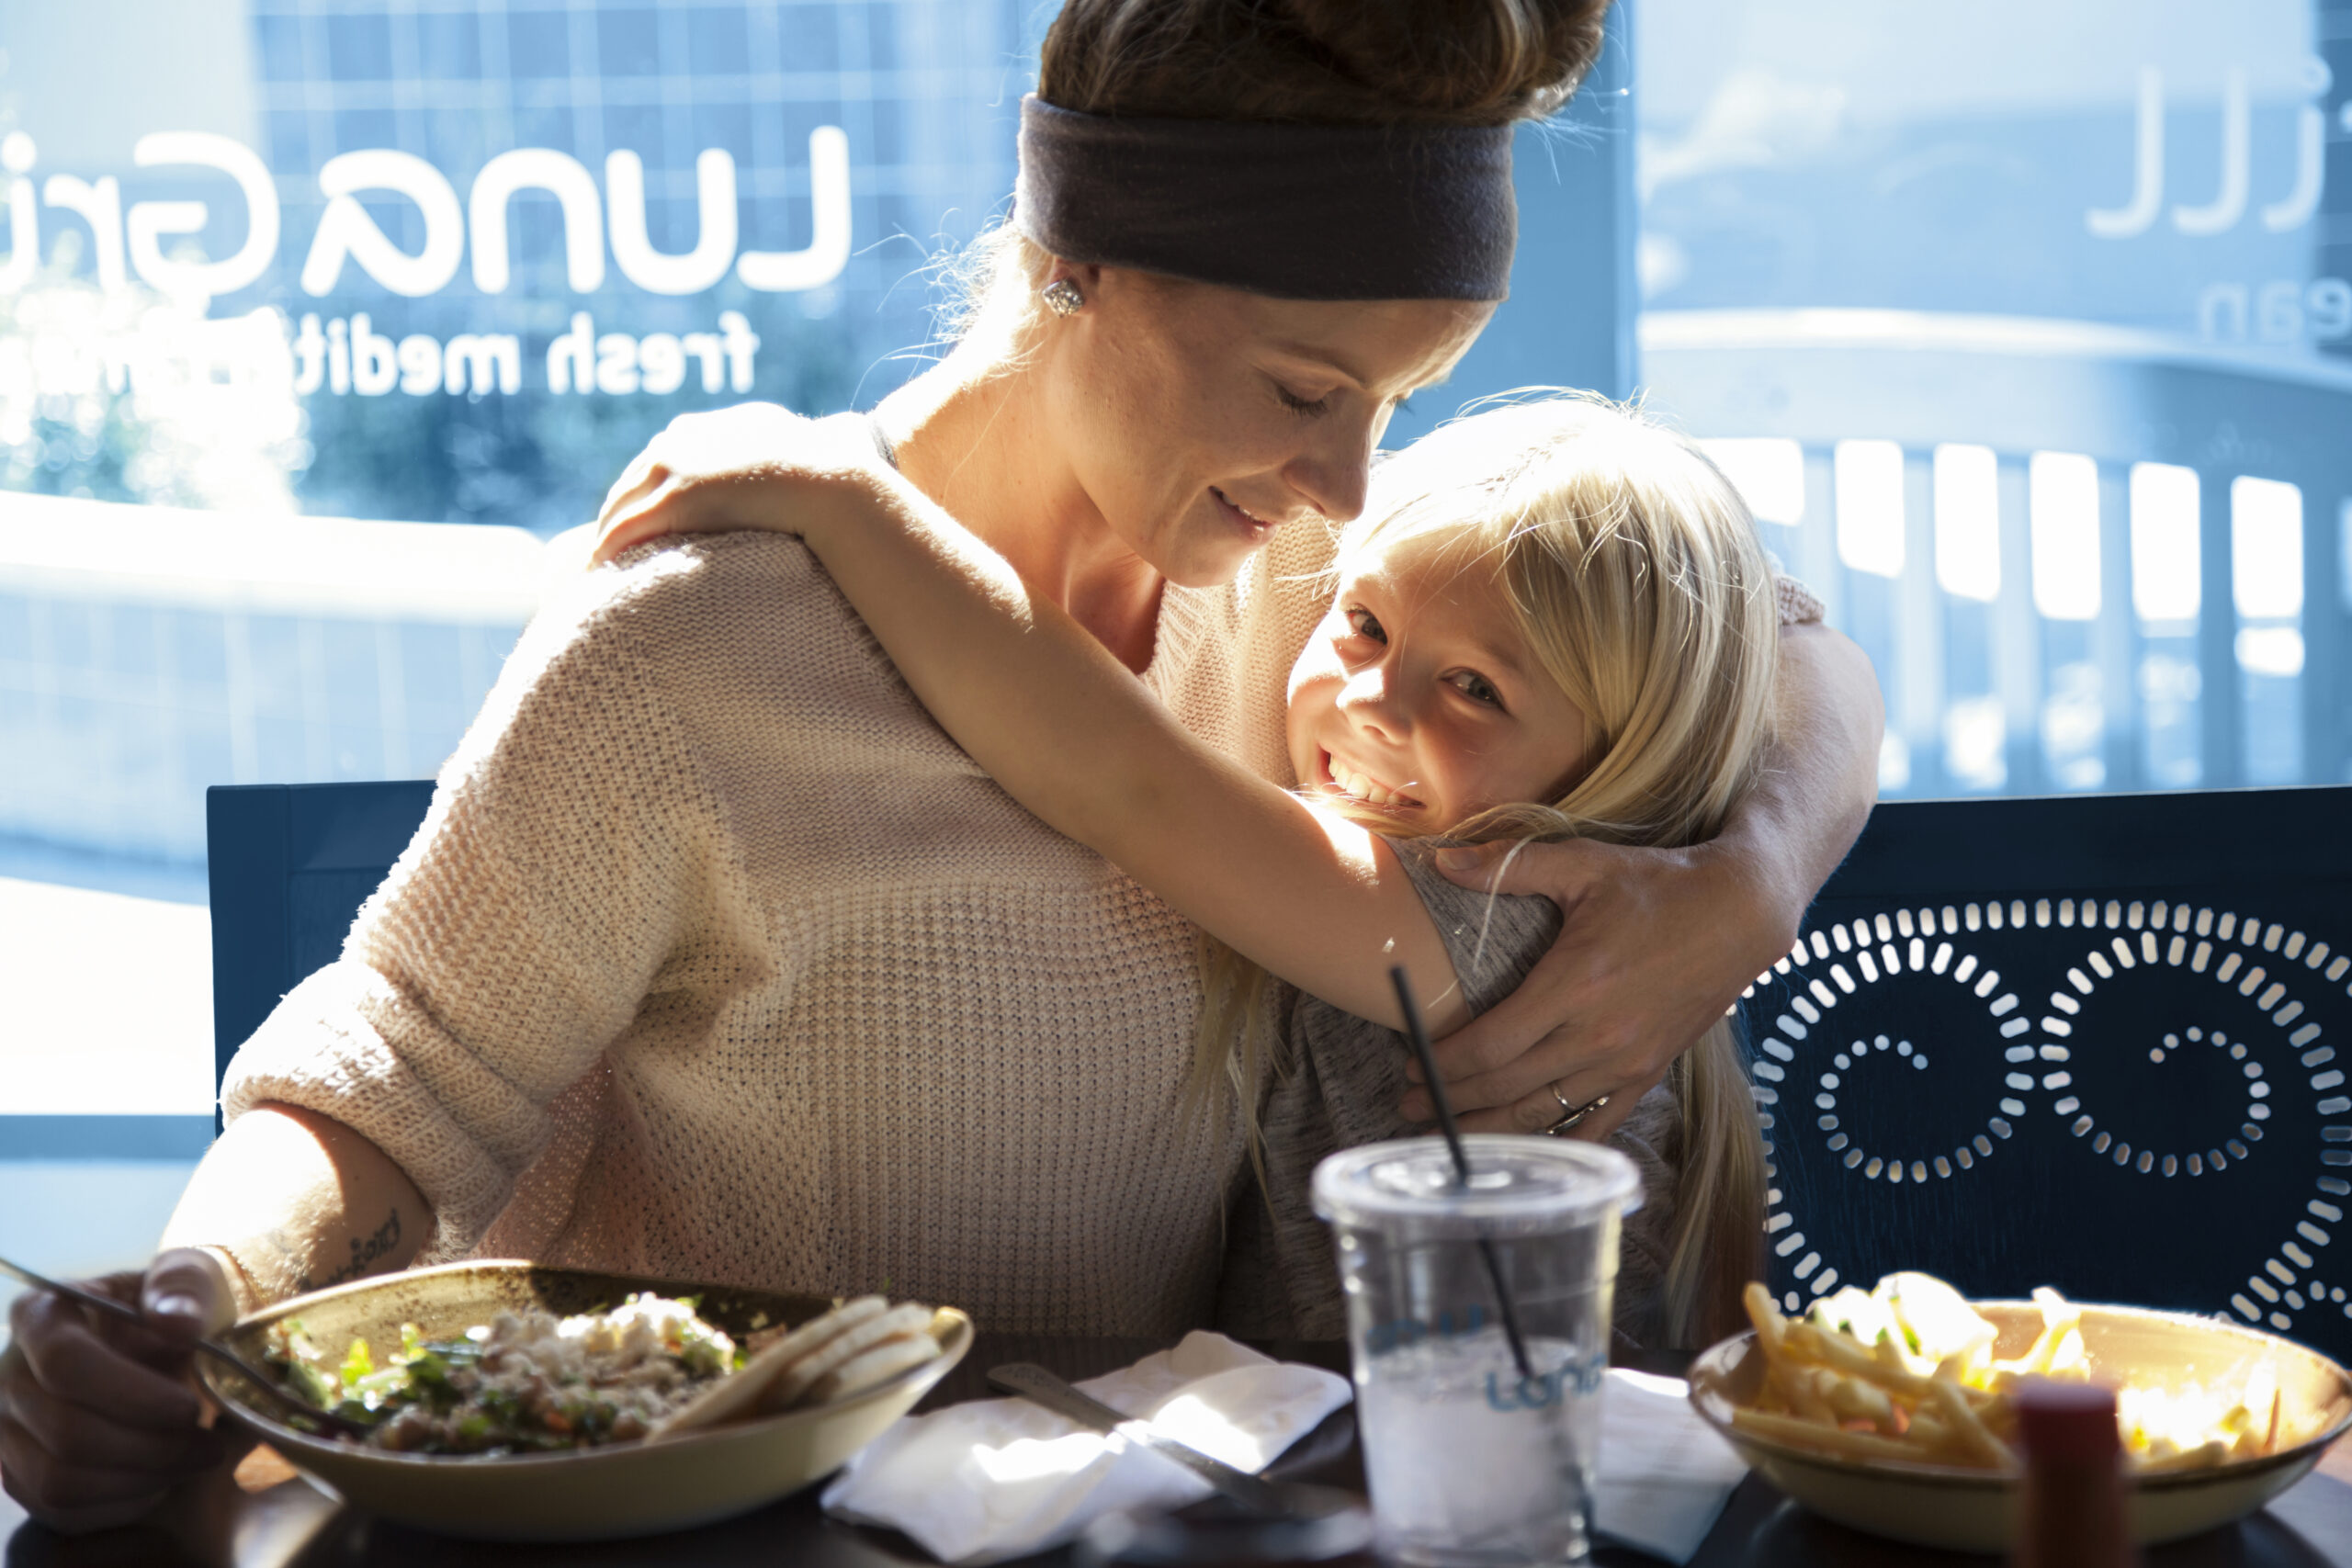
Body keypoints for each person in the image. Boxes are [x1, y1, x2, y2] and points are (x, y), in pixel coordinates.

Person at [0, 0, 1880, 1533]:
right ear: (1073, 263)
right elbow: (397, 1073)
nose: (1345, 483)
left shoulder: (1331, 613)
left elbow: (1787, 641)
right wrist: (196, 1291)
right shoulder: (696, 637)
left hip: (1135, 1520)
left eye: (1397, 400)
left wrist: (1750, 874)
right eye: (1308, 390)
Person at [591, 392, 1783, 1351]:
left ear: (1627, 757)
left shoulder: (1503, 919)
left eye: (1476, 687)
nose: (1373, 701)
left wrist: (847, 501)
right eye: (1364, 624)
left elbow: (1125, 780)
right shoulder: (1454, 888)